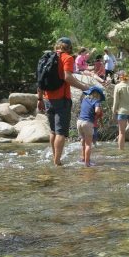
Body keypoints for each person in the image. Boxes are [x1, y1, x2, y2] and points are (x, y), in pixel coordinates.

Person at [37, 37, 90, 166]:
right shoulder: (67, 58)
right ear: (69, 47)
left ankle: (55, 158)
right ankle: (57, 162)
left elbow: (40, 80)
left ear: (57, 46)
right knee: (60, 132)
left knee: (53, 131)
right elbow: (67, 77)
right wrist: (84, 87)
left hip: (47, 98)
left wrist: (39, 98)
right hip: (62, 99)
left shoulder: (47, 58)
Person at [77, 85, 105, 167]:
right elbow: (97, 111)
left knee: (83, 141)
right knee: (88, 144)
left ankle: (83, 158)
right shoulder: (96, 101)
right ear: (98, 94)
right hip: (88, 123)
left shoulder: (84, 99)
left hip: (79, 122)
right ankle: (87, 163)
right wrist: (98, 112)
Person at [112, 71, 129, 151]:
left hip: (122, 112)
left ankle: (121, 151)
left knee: (121, 133)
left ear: (120, 77)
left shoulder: (117, 86)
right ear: (128, 77)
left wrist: (114, 111)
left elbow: (116, 101)